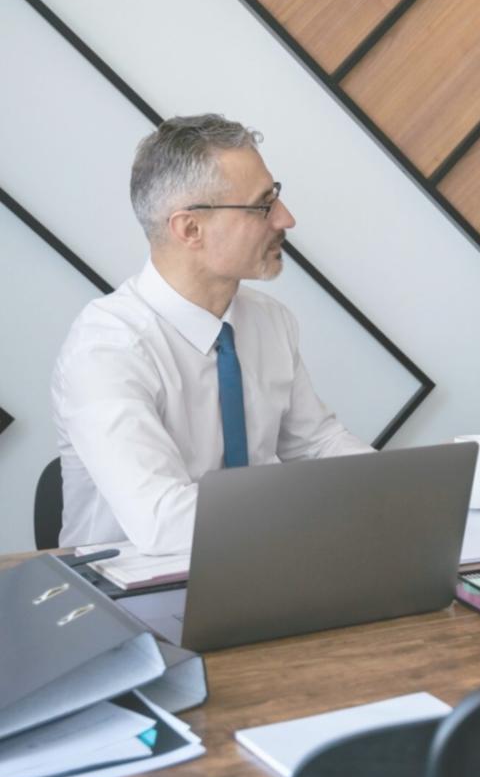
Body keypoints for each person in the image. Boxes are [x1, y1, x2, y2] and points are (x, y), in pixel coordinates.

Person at [51, 115, 373, 555]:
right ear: (190, 229)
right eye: (263, 206)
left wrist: (404, 491)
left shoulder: (270, 321)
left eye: (276, 197)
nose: (286, 219)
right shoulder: (106, 349)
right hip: (129, 601)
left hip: (258, 572)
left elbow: (318, 444)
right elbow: (163, 521)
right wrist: (311, 504)